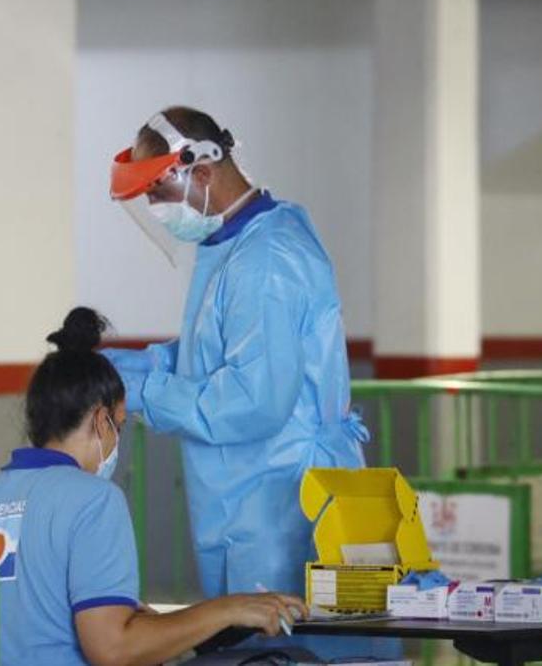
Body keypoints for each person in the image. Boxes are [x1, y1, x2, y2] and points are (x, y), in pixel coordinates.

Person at [104, 107, 371, 643]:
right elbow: (217, 351)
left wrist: (146, 391)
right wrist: (134, 366)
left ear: (202, 172)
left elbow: (253, 398)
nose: (158, 210)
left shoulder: (266, 260)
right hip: (249, 494)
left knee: (285, 644)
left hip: (284, 500)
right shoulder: (237, 246)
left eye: (159, 193)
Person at [0, 307, 307, 666]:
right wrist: (228, 609)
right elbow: (112, 649)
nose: (118, 440)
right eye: (120, 425)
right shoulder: (94, 500)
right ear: (100, 420)